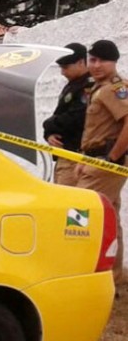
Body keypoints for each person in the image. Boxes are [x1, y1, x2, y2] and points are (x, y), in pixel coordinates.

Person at [77, 39, 128, 281]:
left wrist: (112, 157)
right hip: (95, 159)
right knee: (110, 217)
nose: (95, 65)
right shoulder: (99, 88)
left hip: (106, 163)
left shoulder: (115, 88)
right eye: (92, 60)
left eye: (101, 60)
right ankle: (112, 277)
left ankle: (89, 274)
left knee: (83, 214)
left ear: (114, 62)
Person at [43, 42, 94, 186]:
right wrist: (49, 133)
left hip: (75, 154)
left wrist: (48, 124)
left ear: (80, 62)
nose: (62, 72)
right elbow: (59, 114)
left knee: (69, 204)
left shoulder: (88, 85)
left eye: (66, 67)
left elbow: (77, 117)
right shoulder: (73, 84)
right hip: (65, 153)